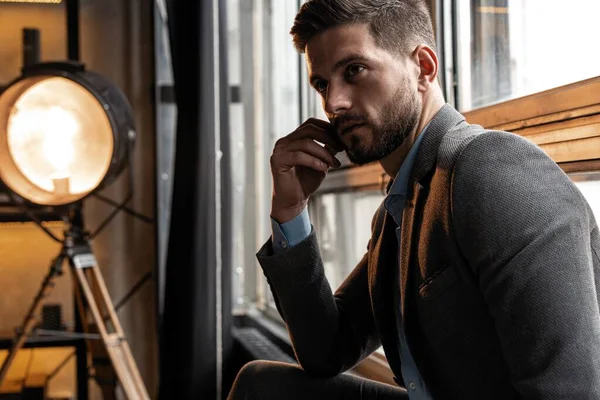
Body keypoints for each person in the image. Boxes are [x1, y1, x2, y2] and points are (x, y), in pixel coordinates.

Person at [227, 0, 600, 399]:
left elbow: (571, 391)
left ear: (423, 67)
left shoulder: (491, 169)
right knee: (261, 385)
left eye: (354, 71)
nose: (333, 103)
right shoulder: (402, 204)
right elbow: (326, 350)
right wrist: (290, 212)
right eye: (322, 84)